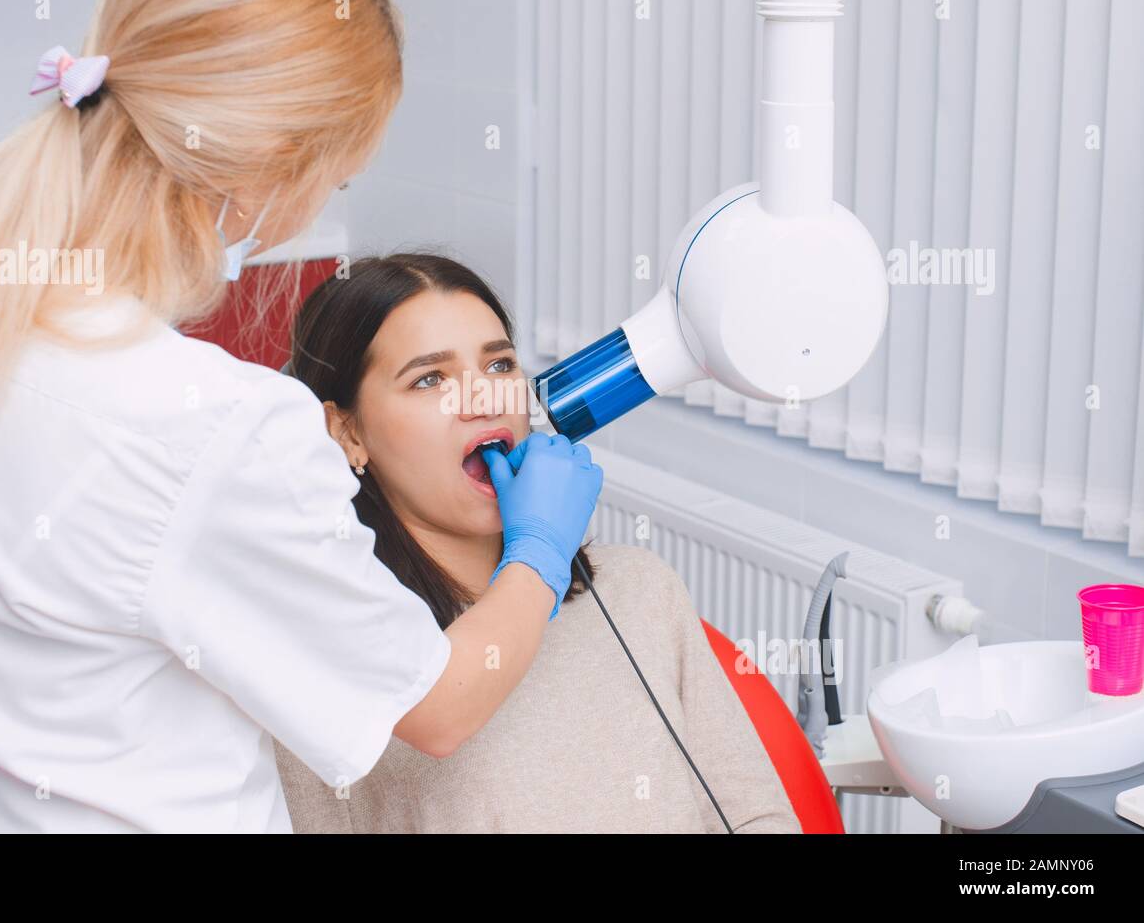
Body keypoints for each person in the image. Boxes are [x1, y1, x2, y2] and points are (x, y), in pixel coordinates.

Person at [0, 0, 600, 832]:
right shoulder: (217, 428)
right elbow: (439, 706)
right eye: (337, 179)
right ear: (276, 170)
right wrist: (539, 552)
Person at [273, 253, 802, 833]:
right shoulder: (346, 650)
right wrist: (539, 558)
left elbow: (756, 815)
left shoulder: (640, 591)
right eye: (430, 379)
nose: (483, 399)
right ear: (346, 432)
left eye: (499, 366)